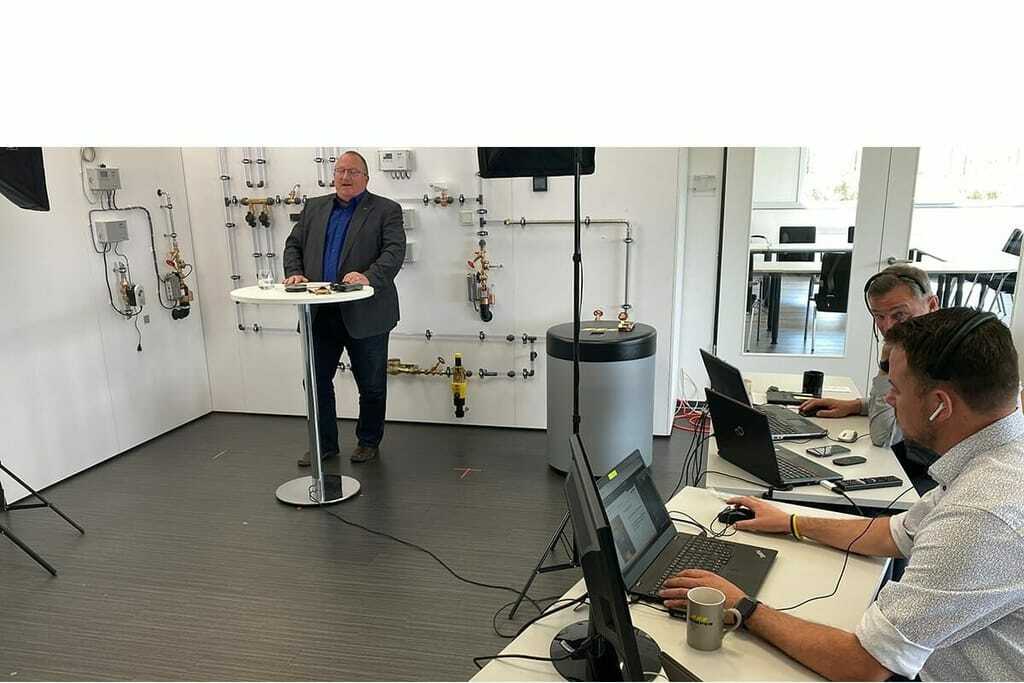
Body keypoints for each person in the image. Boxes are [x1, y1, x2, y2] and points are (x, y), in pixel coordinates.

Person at [662, 308, 1024, 681]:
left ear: (939, 406)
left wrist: (743, 607)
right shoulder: (994, 458)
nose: (888, 400)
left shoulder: (981, 515)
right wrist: (791, 522)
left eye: (897, 390)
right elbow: (893, 534)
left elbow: (862, 665)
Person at [283, 151, 405, 465]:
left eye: (352, 171)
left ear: (366, 177)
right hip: (319, 311)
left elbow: (394, 253)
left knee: (371, 385)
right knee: (315, 381)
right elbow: (293, 244)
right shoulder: (314, 207)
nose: (345, 177)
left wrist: (368, 277)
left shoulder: (386, 210)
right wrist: (294, 272)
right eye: (340, 171)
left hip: (366, 312)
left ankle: (368, 441)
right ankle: (324, 444)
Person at [799, 265, 940, 493]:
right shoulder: (922, 342)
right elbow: (914, 403)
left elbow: (884, 437)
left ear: (932, 305)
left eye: (899, 315)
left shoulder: (942, 355)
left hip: (926, 480)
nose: (888, 327)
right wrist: (857, 405)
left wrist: (885, 366)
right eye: (879, 316)